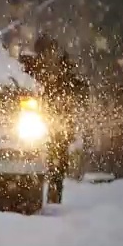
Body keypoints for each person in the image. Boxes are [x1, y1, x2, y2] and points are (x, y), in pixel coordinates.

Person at [20, 33, 90, 204]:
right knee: (40, 159)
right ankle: (41, 193)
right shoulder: (32, 68)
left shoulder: (60, 69)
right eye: (46, 51)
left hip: (57, 123)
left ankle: (53, 193)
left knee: (55, 161)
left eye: (51, 51)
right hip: (39, 121)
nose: (49, 55)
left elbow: (79, 91)